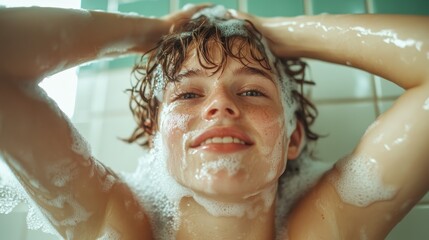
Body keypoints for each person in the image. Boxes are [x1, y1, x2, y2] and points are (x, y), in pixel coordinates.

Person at [0, 4, 428, 240]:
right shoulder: (121, 227)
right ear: (157, 135)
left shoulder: (322, 232)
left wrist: (279, 33)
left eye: (252, 91)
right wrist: (153, 31)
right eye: (188, 94)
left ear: (292, 137)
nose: (220, 106)